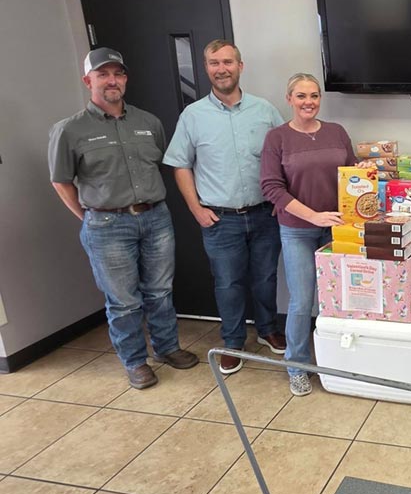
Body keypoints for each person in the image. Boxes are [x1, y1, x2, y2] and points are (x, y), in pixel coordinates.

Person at [48, 48, 198, 390]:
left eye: (117, 73)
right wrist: (88, 217)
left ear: (125, 79)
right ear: (88, 81)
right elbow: (60, 181)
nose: (111, 80)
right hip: (107, 225)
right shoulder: (69, 130)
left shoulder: (149, 123)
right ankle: (135, 362)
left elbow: (162, 164)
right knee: (124, 302)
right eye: (103, 74)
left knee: (160, 291)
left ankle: (167, 348)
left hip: (156, 219)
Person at [163, 40, 286, 375]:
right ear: (206, 69)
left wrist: (281, 200)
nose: (222, 69)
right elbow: (180, 165)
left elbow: (284, 157)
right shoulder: (193, 116)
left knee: (265, 277)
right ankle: (232, 342)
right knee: (228, 283)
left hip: (264, 214)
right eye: (214, 63)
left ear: (240, 66)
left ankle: (267, 330)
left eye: (228, 62)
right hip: (220, 219)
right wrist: (195, 209)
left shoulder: (265, 111)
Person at [260, 73, 357, 396]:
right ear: (289, 99)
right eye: (301, 96)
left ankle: (342, 362)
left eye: (314, 96)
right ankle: (297, 366)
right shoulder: (277, 138)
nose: (308, 102)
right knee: (302, 302)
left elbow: (353, 177)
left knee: (342, 300)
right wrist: (313, 216)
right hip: (297, 230)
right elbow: (271, 187)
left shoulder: (337, 132)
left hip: (337, 231)